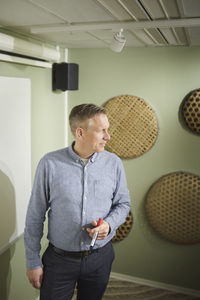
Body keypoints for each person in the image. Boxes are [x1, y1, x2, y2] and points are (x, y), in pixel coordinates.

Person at [24, 103, 130, 300]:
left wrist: (109, 224)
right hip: (59, 261)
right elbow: (34, 215)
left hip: (100, 258)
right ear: (80, 133)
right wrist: (33, 261)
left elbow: (123, 204)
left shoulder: (114, 163)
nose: (108, 136)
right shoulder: (49, 163)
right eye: (102, 131)